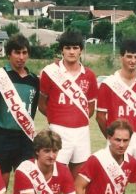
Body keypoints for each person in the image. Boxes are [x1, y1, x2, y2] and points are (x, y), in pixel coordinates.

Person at [0, 34, 39, 187]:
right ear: (9, 54)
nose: (21, 57)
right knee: (0, 185)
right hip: (2, 137)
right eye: (17, 52)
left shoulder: (34, 80)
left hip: (25, 138)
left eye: (24, 53)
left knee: (26, 185)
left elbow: (32, 109)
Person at [38, 30, 98, 179]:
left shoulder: (89, 75)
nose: (71, 52)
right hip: (58, 131)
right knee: (55, 177)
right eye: (68, 48)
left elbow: (90, 108)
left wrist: (77, 119)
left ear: (81, 50)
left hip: (82, 132)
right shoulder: (50, 72)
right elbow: (42, 104)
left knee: (79, 178)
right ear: (62, 50)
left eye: (75, 48)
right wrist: (57, 120)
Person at [96, 39, 136, 193]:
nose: (133, 61)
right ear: (121, 57)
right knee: (115, 188)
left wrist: (135, 126)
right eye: (129, 56)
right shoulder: (108, 83)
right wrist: (112, 137)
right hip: (117, 140)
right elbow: (100, 116)